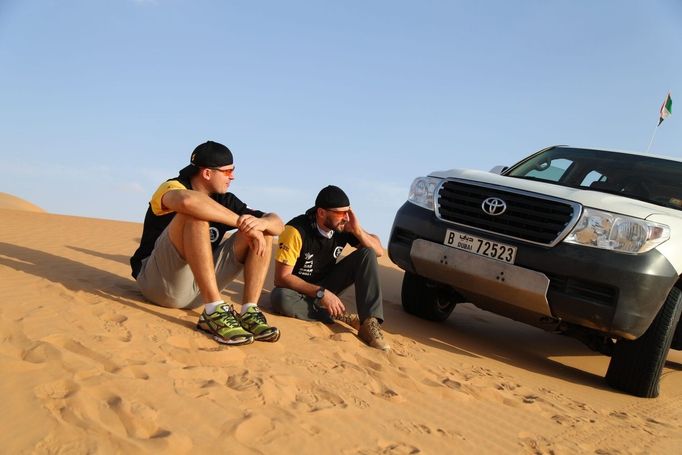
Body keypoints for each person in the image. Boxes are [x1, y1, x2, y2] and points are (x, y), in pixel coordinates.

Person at [130, 141, 284, 346]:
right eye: (228, 171)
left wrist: (262, 223)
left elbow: (278, 224)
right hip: (159, 285)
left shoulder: (224, 199)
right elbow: (187, 202)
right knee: (195, 215)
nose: (233, 176)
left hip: (198, 290)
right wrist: (240, 222)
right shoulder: (172, 187)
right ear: (207, 173)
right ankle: (213, 311)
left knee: (262, 229)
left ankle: (249, 311)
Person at [271, 185, 389, 351]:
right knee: (279, 298)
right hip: (299, 291)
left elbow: (377, 251)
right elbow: (281, 278)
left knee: (367, 253)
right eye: (341, 213)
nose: (346, 218)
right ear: (321, 213)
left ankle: (369, 322)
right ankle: (338, 316)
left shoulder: (343, 227)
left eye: (348, 212)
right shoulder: (295, 231)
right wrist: (321, 293)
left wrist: (358, 231)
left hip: (329, 285)